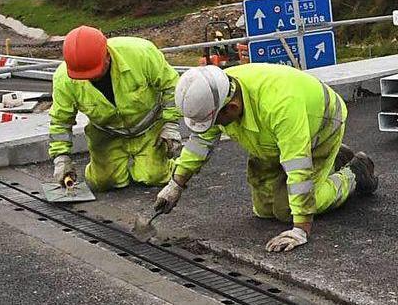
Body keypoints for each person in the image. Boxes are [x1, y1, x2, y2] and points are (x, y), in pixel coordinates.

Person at [152, 63, 378, 253]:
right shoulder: (218, 92)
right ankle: (335, 158)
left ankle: (355, 172)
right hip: (271, 137)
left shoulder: (280, 105)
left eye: (218, 122)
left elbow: (298, 167)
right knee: (264, 210)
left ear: (232, 107)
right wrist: (176, 184)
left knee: (289, 209)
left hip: (320, 125)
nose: (217, 127)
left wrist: (301, 229)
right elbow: (200, 142)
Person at [48, 26, 182, 191]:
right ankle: (110, 166)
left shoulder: (141, 53)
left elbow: (172, 86)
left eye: (94, 72)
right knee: (102, 183)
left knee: (154, 176)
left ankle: (150, 163)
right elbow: (60, 121)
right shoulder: (64, 80)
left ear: (107, 54)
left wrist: (171, 124)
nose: (91, 78)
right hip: (107, 132)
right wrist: (61, 158)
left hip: (149, 127)